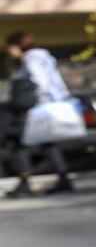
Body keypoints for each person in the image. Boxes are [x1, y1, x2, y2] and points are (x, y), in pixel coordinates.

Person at [4, 31, 75, 197]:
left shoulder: (30, 59)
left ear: (17, 45)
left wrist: (31, 101)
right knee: (47, 144)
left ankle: (25, 182)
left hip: (37, 107)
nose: (9, 51)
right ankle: (63, 178)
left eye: (10, 47)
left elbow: (39, 82)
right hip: (50, 104)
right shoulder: (44, 57)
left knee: (19, 142)